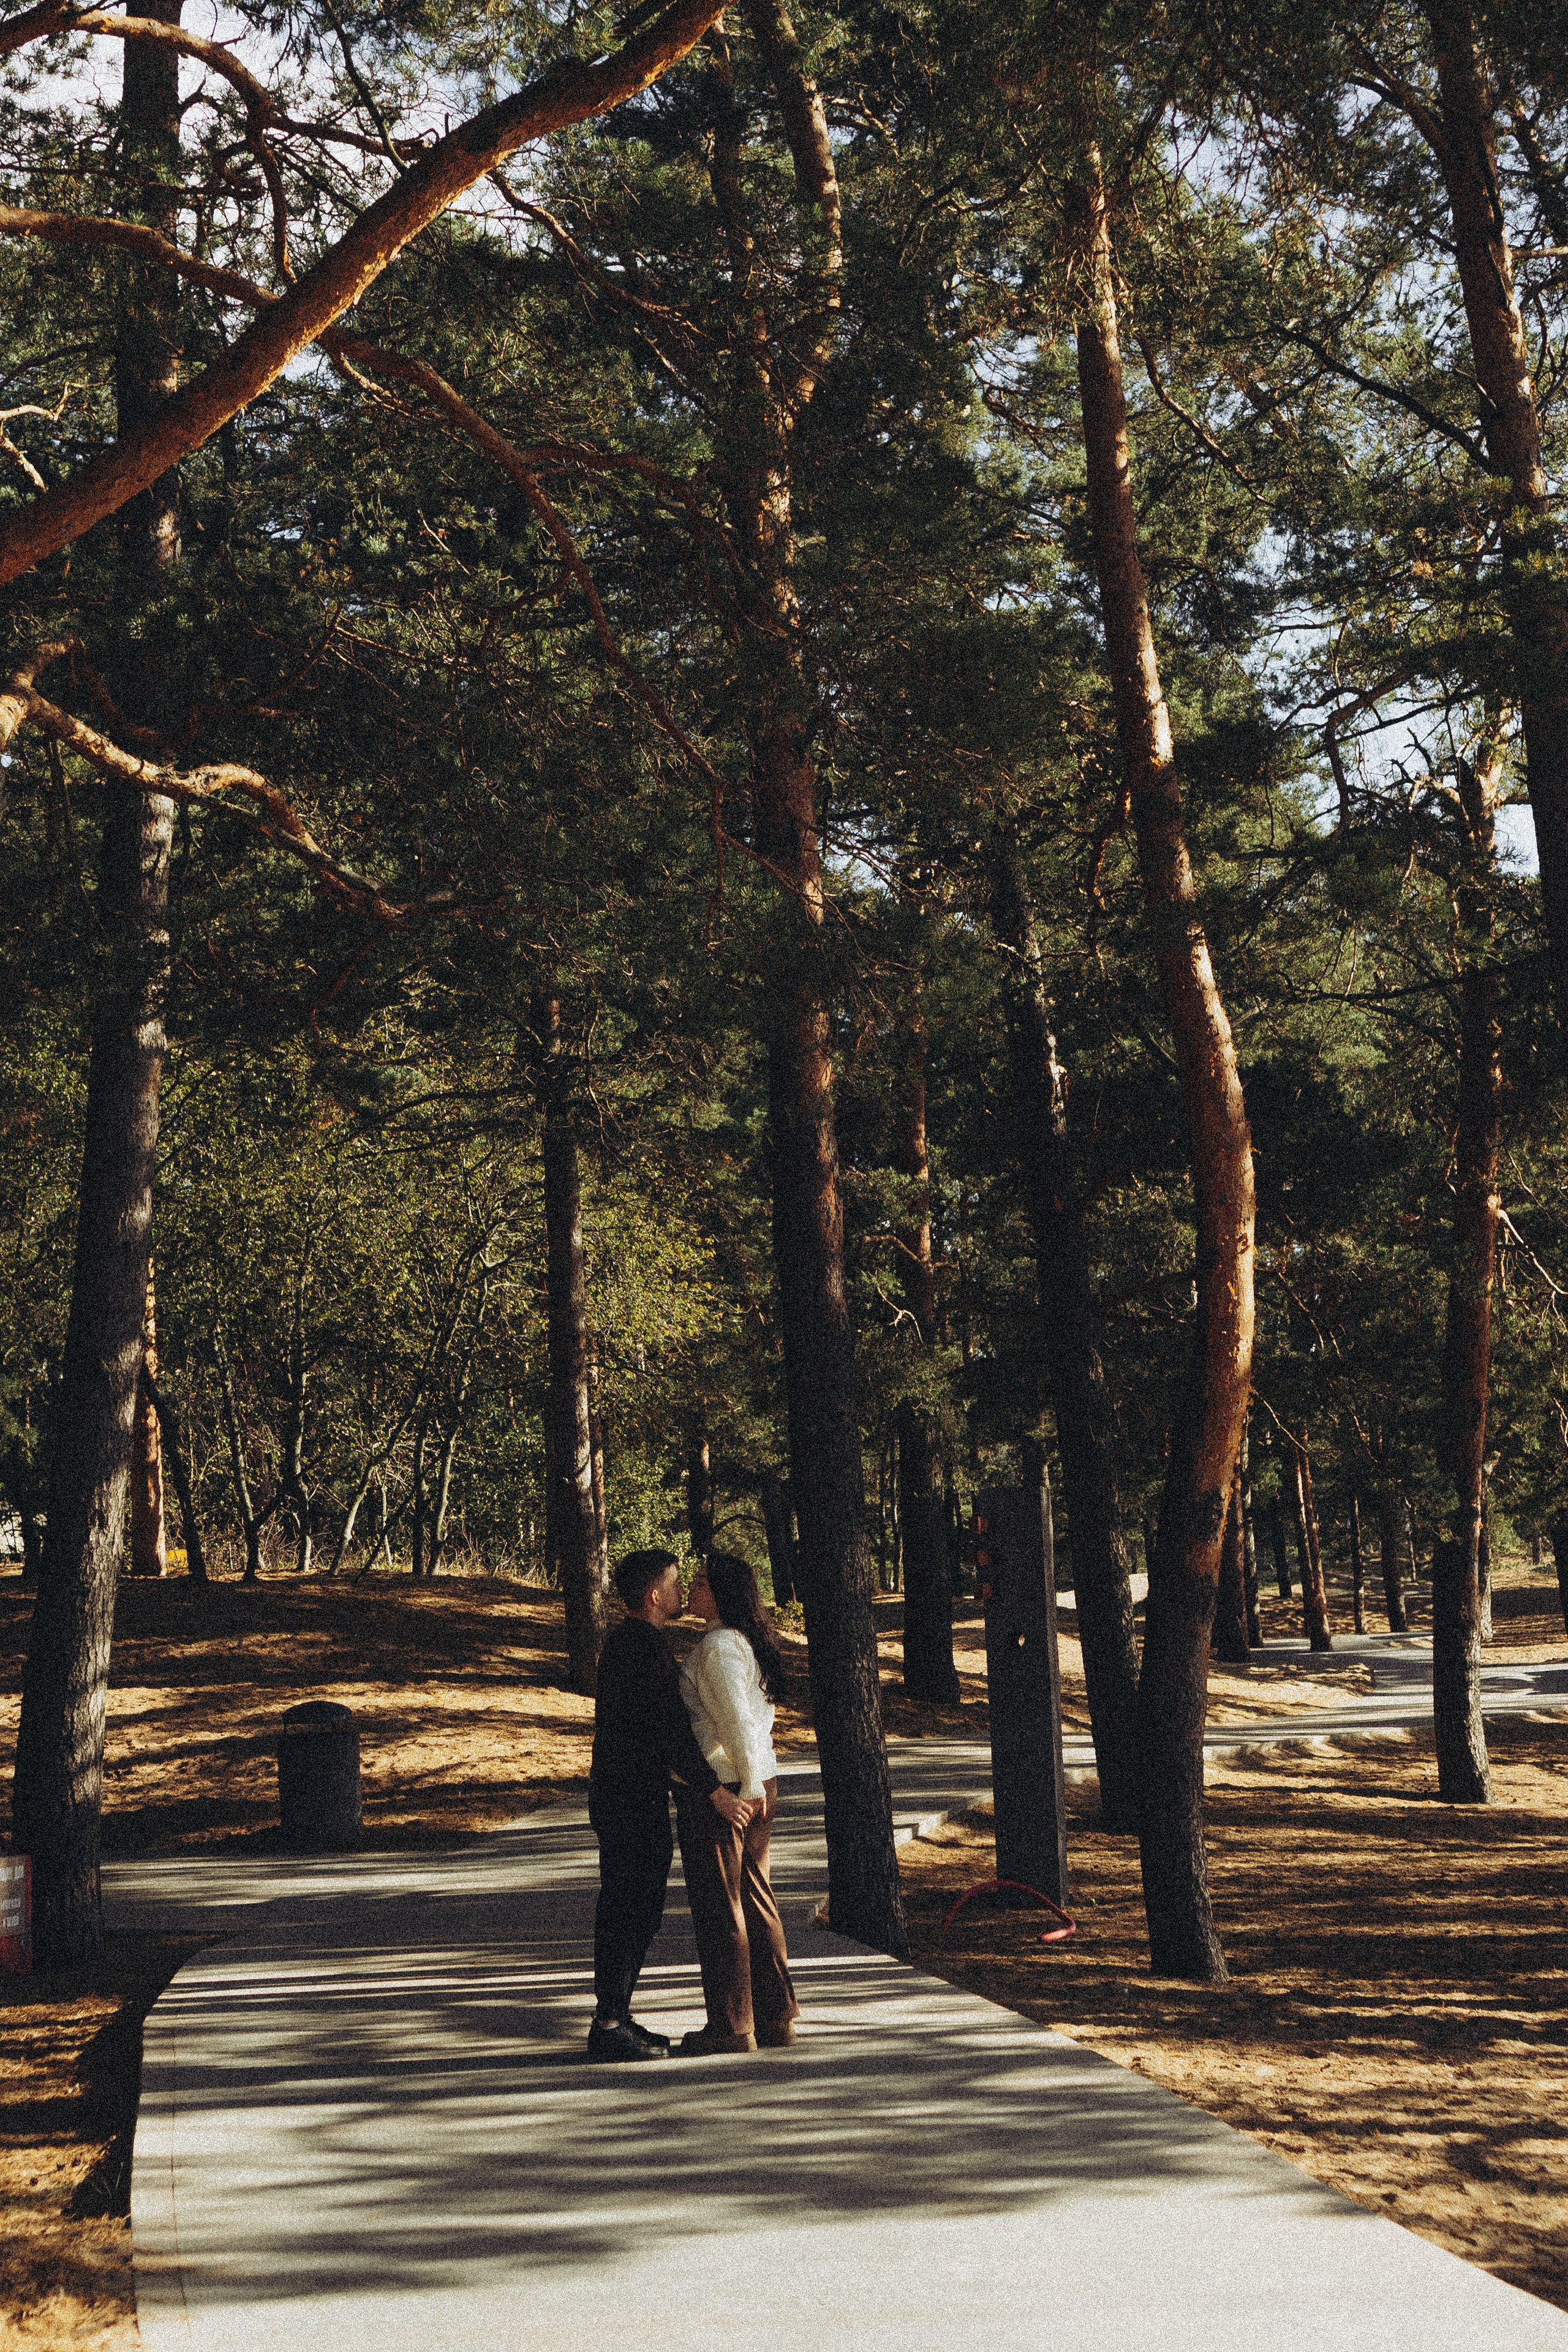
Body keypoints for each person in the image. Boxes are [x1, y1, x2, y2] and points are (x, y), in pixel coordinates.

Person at [587, 1548, 755, 2064]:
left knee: (638, 1908)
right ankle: (608, 2023)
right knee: (628, 1908)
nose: (683, 1591)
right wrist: (716, 1791)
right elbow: (671, 1733)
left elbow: (665, 1732)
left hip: (632, 1796)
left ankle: (617, 2015)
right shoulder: (640, 1647)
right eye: (676, 1583)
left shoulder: (638, 1643)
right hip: (627, 1800)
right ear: (654, 1596)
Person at [674, 1550, 801, 2055]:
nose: (693, 1587)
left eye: (702, 1581)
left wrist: (744, 1790)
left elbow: (737, 1725)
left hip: (730, 1787)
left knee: (722, 1905)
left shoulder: (721, 1647)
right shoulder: (741, 1642)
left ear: (723, 1592)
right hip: (754, 1780)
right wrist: (756, 1783)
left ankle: (731, 2025)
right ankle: (775, 2017)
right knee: (755, 1898)